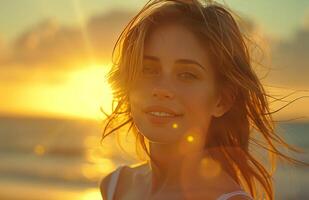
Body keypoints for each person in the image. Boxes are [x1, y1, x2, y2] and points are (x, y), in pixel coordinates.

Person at [99, 0, 308, 199]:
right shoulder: (117, 184)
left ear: (221, 101)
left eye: (187, 75)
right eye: (148, 69)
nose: (161, 89)